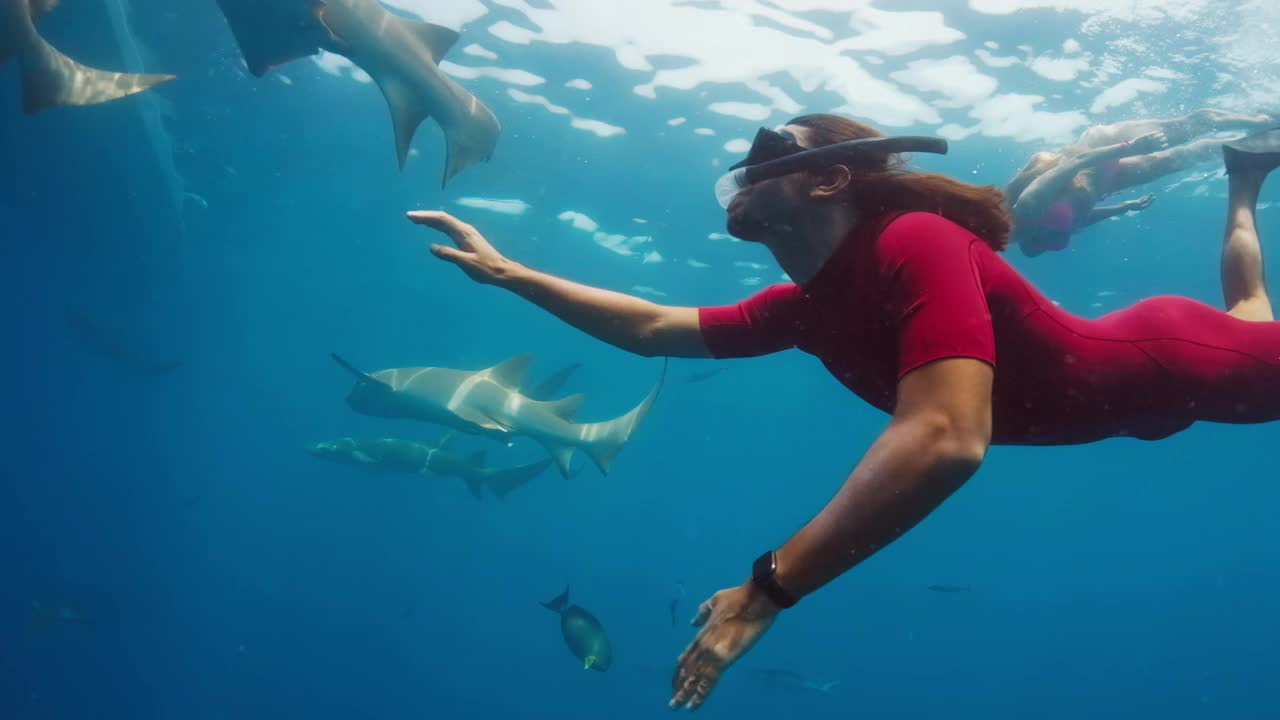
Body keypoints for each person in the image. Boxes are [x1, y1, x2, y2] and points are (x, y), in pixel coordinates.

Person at [405, 114, 1280, 710]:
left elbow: (945, 438)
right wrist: (514, 275)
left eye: (765, 153)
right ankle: (1245, 187)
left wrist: (769, 586)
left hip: (1174, 364)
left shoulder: (918, 241)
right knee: (1251, 311)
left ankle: (1243, 189)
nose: (743, 175)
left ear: (828, 179)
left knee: (1250, 334)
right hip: (1122, 384)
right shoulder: (805, 306)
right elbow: (652, 327)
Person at [1006, 108, 1276, 256]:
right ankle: (1250, 144)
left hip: (1097, 148)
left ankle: (1259, 120)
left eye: (1038, 240)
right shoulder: (1055, 230)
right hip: (1105, 183)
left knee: (1178, 131)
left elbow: (1075, 163)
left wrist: (1128, 147)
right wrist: (1125, 207)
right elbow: (1084, 219)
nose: (1043, 240)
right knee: (1176, 160)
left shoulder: (1029, 205)